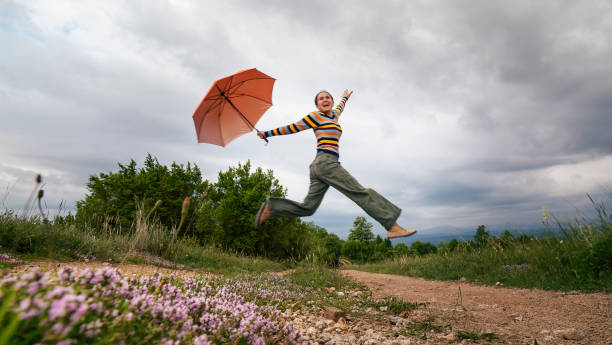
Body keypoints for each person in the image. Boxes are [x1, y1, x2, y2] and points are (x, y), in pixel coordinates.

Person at [254, 89, 416, 239]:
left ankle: (272, 207)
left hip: (318, 167)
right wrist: (267, 133)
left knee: (308, 208)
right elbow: (293, 127)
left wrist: (345, 98)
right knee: (360, 192)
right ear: (317, 105)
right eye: (320, 99)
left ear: (331, 101)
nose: (325, 100)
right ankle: (392, 226)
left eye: (328, 97)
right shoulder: (315, 116)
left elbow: (340, 108)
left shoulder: (334, 116)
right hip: (326, 163)